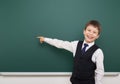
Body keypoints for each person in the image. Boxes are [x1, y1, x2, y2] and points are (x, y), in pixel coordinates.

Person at [39, 20, 104, 84]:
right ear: (84, 31)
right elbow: (61, 44)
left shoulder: (98, 52)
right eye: (89, 30)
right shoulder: (75, 44)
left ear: (97, 36)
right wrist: (45, 39)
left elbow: (100, 72)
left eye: (94, 32)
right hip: (74, 81)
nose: (91, 33)